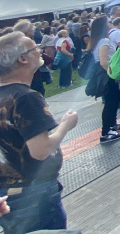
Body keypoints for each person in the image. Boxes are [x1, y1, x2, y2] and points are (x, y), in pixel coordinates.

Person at [0, 32, 79, 234]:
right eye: (35, 47)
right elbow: (41, 151)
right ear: (23, 59)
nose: (40, 50)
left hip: (7, 192)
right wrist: (65, 125)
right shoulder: (25, 98)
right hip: (34, 193)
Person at [86, 15, 120, 143]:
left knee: (112, 100)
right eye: (108, 22)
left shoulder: (97, 40)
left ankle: (112, 124)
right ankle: (106, 131)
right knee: (111, 101)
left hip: (104, 74)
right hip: (108, 75)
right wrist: (113, 74)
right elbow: (103, 61)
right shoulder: (104, 41)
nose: (111, 23)